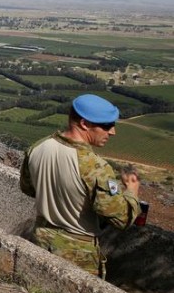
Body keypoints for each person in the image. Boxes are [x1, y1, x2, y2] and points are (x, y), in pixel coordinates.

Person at [19, 93, 141, 278]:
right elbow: (121, 219)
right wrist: (131, 192)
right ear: (84, 124)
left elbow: (27, 188)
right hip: (77, 255)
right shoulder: (96, 167)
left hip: (41, 239)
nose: (113, 132)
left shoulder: (38, 147)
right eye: (107, 125)